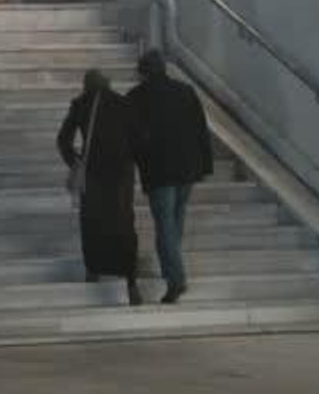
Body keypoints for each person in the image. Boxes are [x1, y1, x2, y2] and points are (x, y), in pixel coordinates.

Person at [126, 49, 214, 305]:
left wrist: (132, 165)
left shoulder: (135, 97)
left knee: (165, 225)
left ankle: (176, 279)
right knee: (175, 223)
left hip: (159, 171)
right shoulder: (185, 91)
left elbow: (131, 138)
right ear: (163, 68)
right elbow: (200, 129)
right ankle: (172, 268)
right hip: (187, 169)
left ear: (142, 71)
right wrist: (205, 165)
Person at [57, 69, 143, 306]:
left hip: (93, 174)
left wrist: (74, 161)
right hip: (121, 175)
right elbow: (138, 139)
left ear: (86, 85)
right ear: (108, 83)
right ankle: (131, 282)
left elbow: (63, 139)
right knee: (124, 223)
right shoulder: (124, 104)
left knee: (92, 222)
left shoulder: (80, 104)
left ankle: (93, 270)